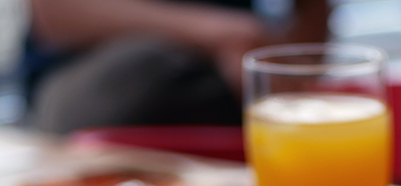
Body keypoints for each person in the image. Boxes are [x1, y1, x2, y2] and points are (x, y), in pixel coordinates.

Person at [24, 0, 329, 133]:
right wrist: (220, 33)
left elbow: (311, 17)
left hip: (221, 81)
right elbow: (54, 15)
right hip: (103, 75)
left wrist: (288, 71)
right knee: (143, 65)